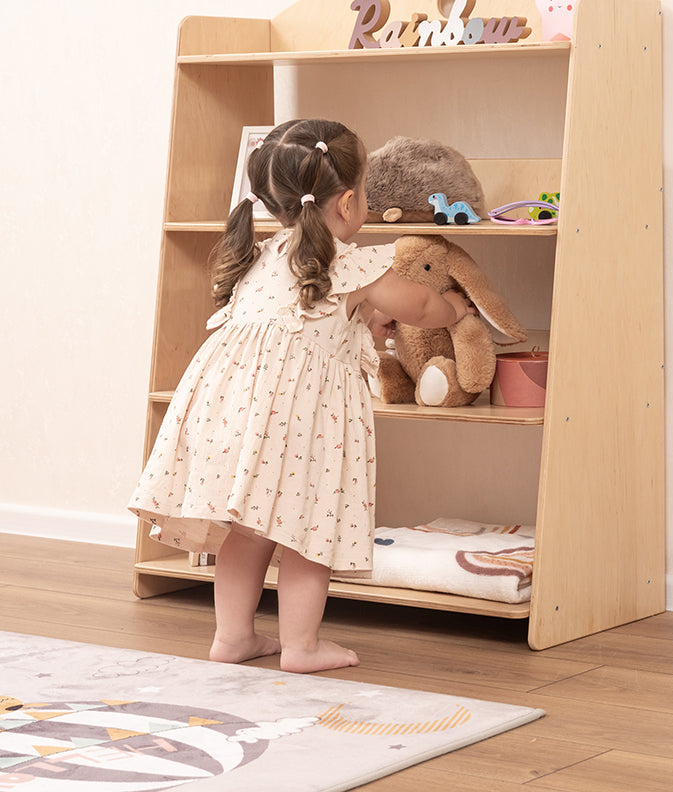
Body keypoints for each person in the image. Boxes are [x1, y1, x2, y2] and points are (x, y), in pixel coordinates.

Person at [129, 118, 473, 673]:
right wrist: (456, 308)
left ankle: (232, 638)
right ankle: (302, 647)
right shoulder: (353, 262)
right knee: (307, 531)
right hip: (298, 418)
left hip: (230, 411)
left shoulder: (258, 255)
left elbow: (311, 319)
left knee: (247, 530)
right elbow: (418, 308)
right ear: (349, 202)